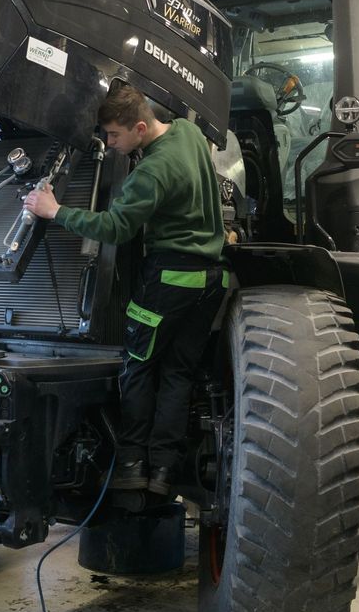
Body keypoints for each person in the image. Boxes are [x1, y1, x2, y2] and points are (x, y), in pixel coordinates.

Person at [23, 84, 227, 496]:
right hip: (210, 281)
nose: (110, 143)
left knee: (137, 365)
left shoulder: (150, 173)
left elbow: (114, 228)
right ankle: (163, 471)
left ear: (140, 127)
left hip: (170, 280)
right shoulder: (188, 133)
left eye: (115, 135)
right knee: (178, 373)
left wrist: (55, 210)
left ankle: (132, 464)